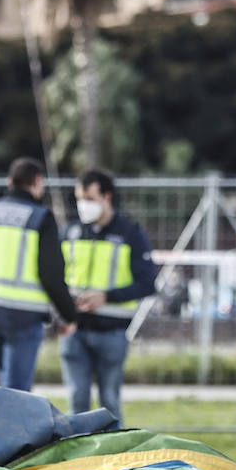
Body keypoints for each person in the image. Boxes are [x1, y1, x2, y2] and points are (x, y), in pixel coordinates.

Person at [0, 157, 79, 392]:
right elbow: (50, 274)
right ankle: (11, 429)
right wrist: (69, 315)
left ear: (9, 182)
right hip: (24, 315)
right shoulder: (39, 217)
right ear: (37, 182)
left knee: (6, 386)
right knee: (16, 391)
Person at [59, 168, 157, 422]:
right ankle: (79, 459)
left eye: (89, 199)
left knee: (110, 402)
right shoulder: (70, 233)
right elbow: (55, 279)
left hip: (112, 332)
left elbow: (147, 284)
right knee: (76, 401)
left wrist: (107, 296)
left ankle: (114, 458)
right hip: (74, 331)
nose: (83, 206)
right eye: (79, 199)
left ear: (107, 197)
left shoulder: (130, 234)